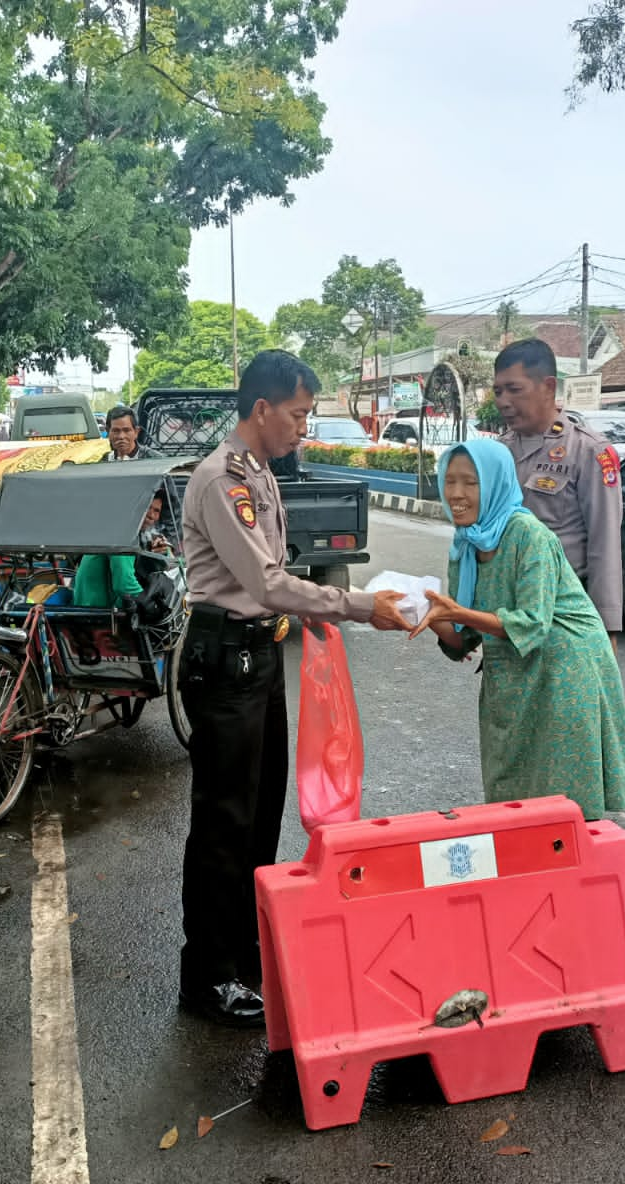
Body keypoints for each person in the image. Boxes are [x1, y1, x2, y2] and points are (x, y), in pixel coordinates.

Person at [177, 349, 411, 1027]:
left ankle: (243, 949)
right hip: (224, 664)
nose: (302, 428)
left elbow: (276, 584)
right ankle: (208, 976)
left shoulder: (261, 474)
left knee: (257, 819)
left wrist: (311, 614)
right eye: (299, 414)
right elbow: (268, 583)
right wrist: (359, 606)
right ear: (262, 410)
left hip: (256, 659)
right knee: (222, 825)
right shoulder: (225, 481)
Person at [413, 438, 625, 819]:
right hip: (514, 674)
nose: (457, 494)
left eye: (470, 482)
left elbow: (532, 621)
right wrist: (429, 616)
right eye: (450, 482)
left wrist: (456, 612)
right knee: (512, 794)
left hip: (566, 671)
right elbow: (464, 637)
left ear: (495, 483)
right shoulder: (465, 545)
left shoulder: (529, 536)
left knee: (562, 800)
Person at [494, 338, 624, 643]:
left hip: (562, 617)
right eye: (498, 391)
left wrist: (606, 630)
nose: (503, 401)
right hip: (508, 618)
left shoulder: (588, 450)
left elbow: (604, 545)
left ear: (548, 387)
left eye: (514, 389)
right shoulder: (497, 452)